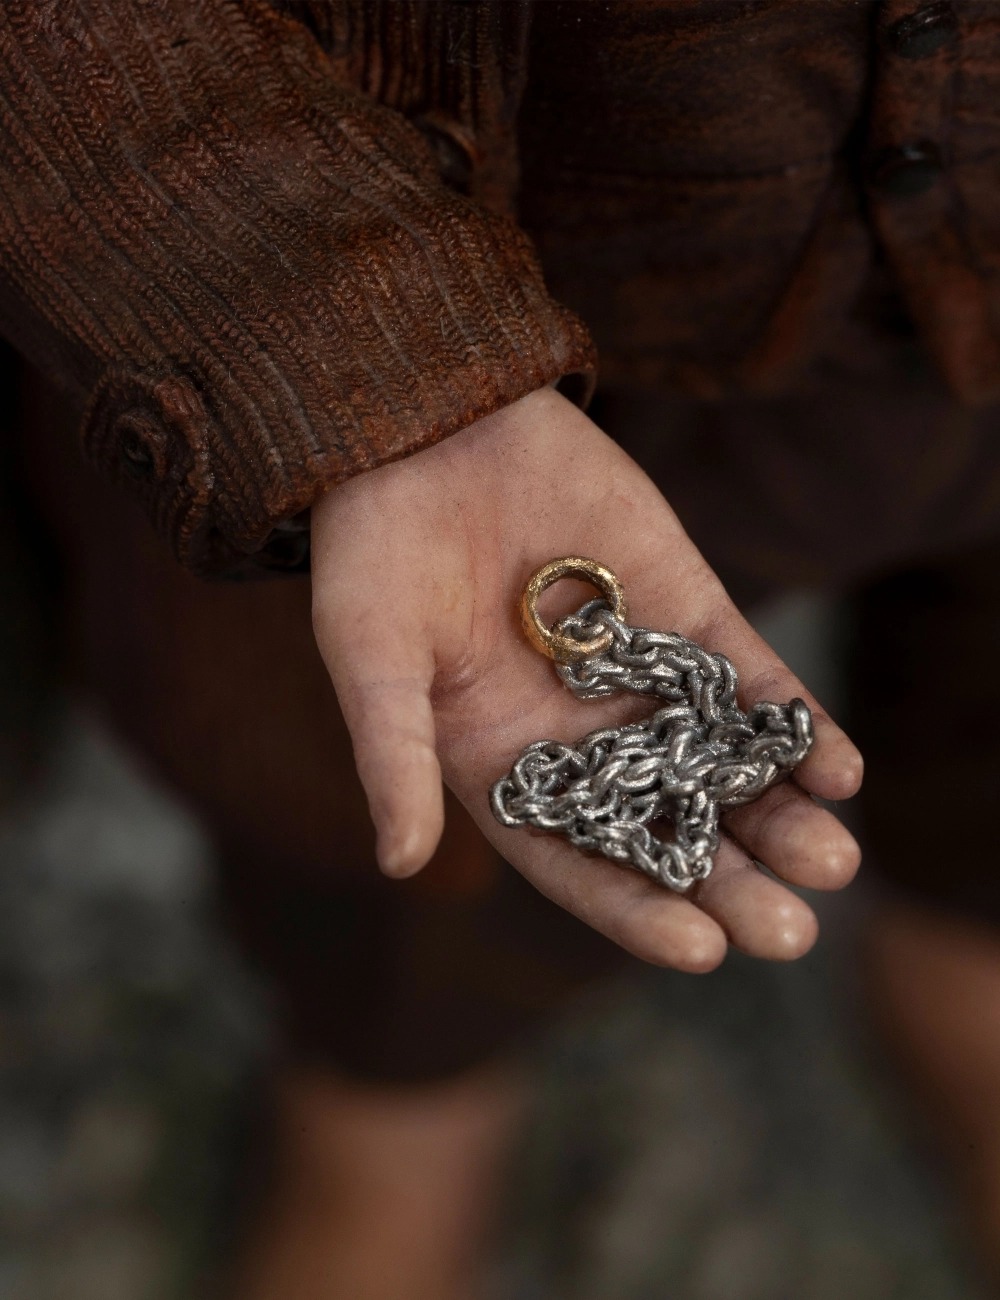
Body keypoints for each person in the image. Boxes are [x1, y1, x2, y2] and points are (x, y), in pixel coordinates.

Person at [0, 1, 996, 1295]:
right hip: (450, 317)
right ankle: (402, 1081)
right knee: (368, 766)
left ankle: (966, 940)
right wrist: (349, 342)